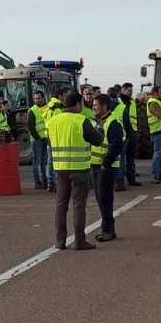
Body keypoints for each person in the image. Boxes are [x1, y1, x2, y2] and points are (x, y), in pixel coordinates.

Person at [48, 92, 104, 250]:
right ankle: (79, 241)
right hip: (80, 169)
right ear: (79, 104)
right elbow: (97, 140)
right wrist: (100, 130)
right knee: (78, 206)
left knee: (61, 206)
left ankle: (60, 241)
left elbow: (49, 141)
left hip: (60, 169)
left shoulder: (53, 121)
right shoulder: (81, 120)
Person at [90, 94, 123, 242]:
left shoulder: (112, 123)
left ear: (104, 107)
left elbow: (116, 146)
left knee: (104, 198)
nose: (93, 107)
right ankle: (109, 228)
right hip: (96, 165)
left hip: (106, 167)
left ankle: (107, 230)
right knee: (100, 197)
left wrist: (106, 163)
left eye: (96, 105)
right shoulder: (96, 122)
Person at [145, 86, 161, 183]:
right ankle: (154, 175)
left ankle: (160, 173)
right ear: (155, 93)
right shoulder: (153, 103)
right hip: (157, 131)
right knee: (158, 154)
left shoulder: (160, 102)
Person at [117, 83, 141, 188]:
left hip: (133, 132)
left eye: (131, 91)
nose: (131, 93)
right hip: (122, 133)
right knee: (121, 159)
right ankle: (120, 180)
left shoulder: (132, 102)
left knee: (131, 158)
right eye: (129, 91)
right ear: (123, 90)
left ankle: (131, 179)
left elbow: (135, 117)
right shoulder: (118, 103)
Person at [29, 91, 52, 190]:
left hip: (45, 138)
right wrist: (37, 137)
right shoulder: (32, 110)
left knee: (44, 161)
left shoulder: (47, 109)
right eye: (36, 98)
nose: (37, 100)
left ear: (43, 98)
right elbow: (30, 126)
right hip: (37, 139)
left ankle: (44, 180)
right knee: (37, 161)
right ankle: (37, 181)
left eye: (38, 98)